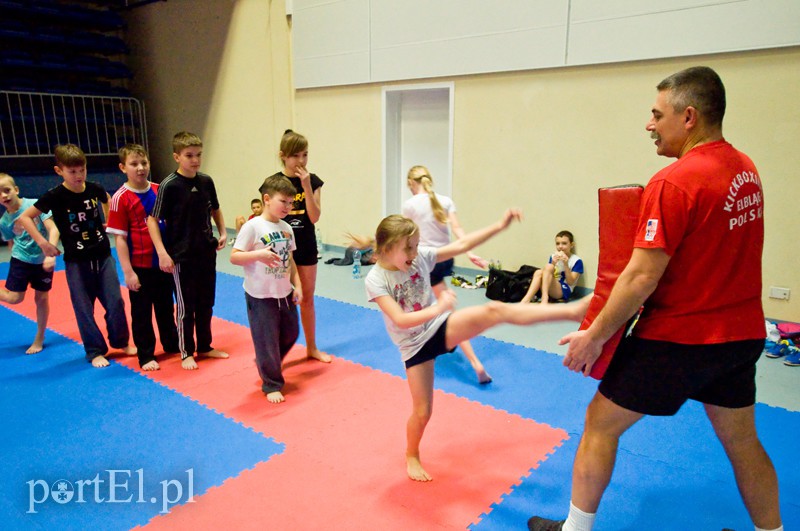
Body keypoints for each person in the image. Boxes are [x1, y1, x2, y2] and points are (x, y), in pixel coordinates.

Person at [528, 66, 782, 531]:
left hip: (678, 341)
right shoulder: (746, 169)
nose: (649, 124)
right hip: (740, 337)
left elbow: (640, 276)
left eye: (656, 114)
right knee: (744, 442)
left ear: (688, 117)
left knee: (599, 424)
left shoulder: (673, 182)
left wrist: (593, 337)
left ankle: (575, 530)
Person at [362, 212, 589, 482]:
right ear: (387, 249)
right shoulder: (375, 280)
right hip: (413, 346)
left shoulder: (419, 255)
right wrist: (439, 306)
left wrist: (499, 225)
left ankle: (572, 313)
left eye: (416, 245)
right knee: (423, 412)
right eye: (408, 248)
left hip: (439, 327)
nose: (415, 252)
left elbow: (461, 246)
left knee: (493, 310)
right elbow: (399, 319)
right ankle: (411, 453)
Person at [17, 144, 135, 367]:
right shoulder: (55, 195)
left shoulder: (94, 188)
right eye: (72, 172)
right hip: (76, 262)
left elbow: (106, 198)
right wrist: (43, 243)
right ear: (59, 171)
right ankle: (94, 351)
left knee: (116, 301)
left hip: (103, 256)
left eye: (82, 170)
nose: (78, 176)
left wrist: (109, 220)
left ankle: (121, 342)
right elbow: (25, 218)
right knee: (84, 308)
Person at [402, 164, 492, 383]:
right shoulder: (445, 200)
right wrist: (470, 253)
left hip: (426, 261)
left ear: (411, 184)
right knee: (434, 306)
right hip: (445, 260)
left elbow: (406, 237)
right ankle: (443, 340)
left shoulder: (410, 204)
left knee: (441, 311)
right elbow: (459, 231)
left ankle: (475, 363)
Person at [147, 131, 228, 370]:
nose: (195, 160)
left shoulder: (206, 181)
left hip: (206, 251)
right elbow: (153, 220)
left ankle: (205, 345)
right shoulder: (169, 185)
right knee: (186, 306)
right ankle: (186, 351)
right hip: (181, 255)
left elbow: (216, 208)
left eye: (198, 155)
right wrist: (162, 252)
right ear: (177, 156)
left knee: (207, 302)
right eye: (189, 155)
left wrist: (222, 232)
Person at [106, 144, 179, 371]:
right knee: (142, 313)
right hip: (140, 265)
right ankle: (146, 354)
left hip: (164, 262)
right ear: (122, 167)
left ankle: (171, 343)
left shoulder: (160, 189)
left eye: (144, 163)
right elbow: (119, 239)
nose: (140, 168)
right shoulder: (120, 198)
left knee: (166, 307)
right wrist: (127, 272)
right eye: (134, 164)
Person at [230, 174, 302, 403]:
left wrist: (297, 285)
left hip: (284, 291)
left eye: (291, 203)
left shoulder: (287, 228)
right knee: (267, 339)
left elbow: (290, 260)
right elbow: (235, 257)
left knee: (291, 332)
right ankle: (271, 383)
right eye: (284, 202)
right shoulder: (253, 227)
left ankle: (266, 359)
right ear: (267, 199)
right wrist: (259, 254)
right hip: (260, 295)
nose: (288, 207)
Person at [270, 129, 330, 363]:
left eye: (305, 155)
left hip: (305, 244)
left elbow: (314, 217)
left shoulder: (312, 181)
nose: (301, 161)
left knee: (307, 298)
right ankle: (276, 354)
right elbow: (269, 217)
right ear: (283, 155)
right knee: (279, 301)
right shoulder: (274, 183)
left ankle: (311, 347)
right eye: (296, 155)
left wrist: (306, 187)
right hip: (281, 248)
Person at [0, 173, 59, 354]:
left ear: (16, 190)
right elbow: (11, 242)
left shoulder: (35, 205)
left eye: (7, 190)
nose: (4, 196)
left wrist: (50, 253)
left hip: (43, 260)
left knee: (41, 298)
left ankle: (39, 337)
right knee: (14, 298)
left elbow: (53, 229)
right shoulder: (4, 222)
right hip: (21, 260)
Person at [520, 231, 584, 304]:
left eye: (564, 243)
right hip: (550, 286)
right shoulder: (553, 256)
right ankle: (526, 299)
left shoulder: (577, 261)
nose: (560, 246)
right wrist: (553, 263)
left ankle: (544, 298)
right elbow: (548, 274)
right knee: (539, 272)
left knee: (548, 267)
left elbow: (570, 282)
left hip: (564, 290)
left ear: (572, 245)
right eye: (557, 243)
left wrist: (566, 264)